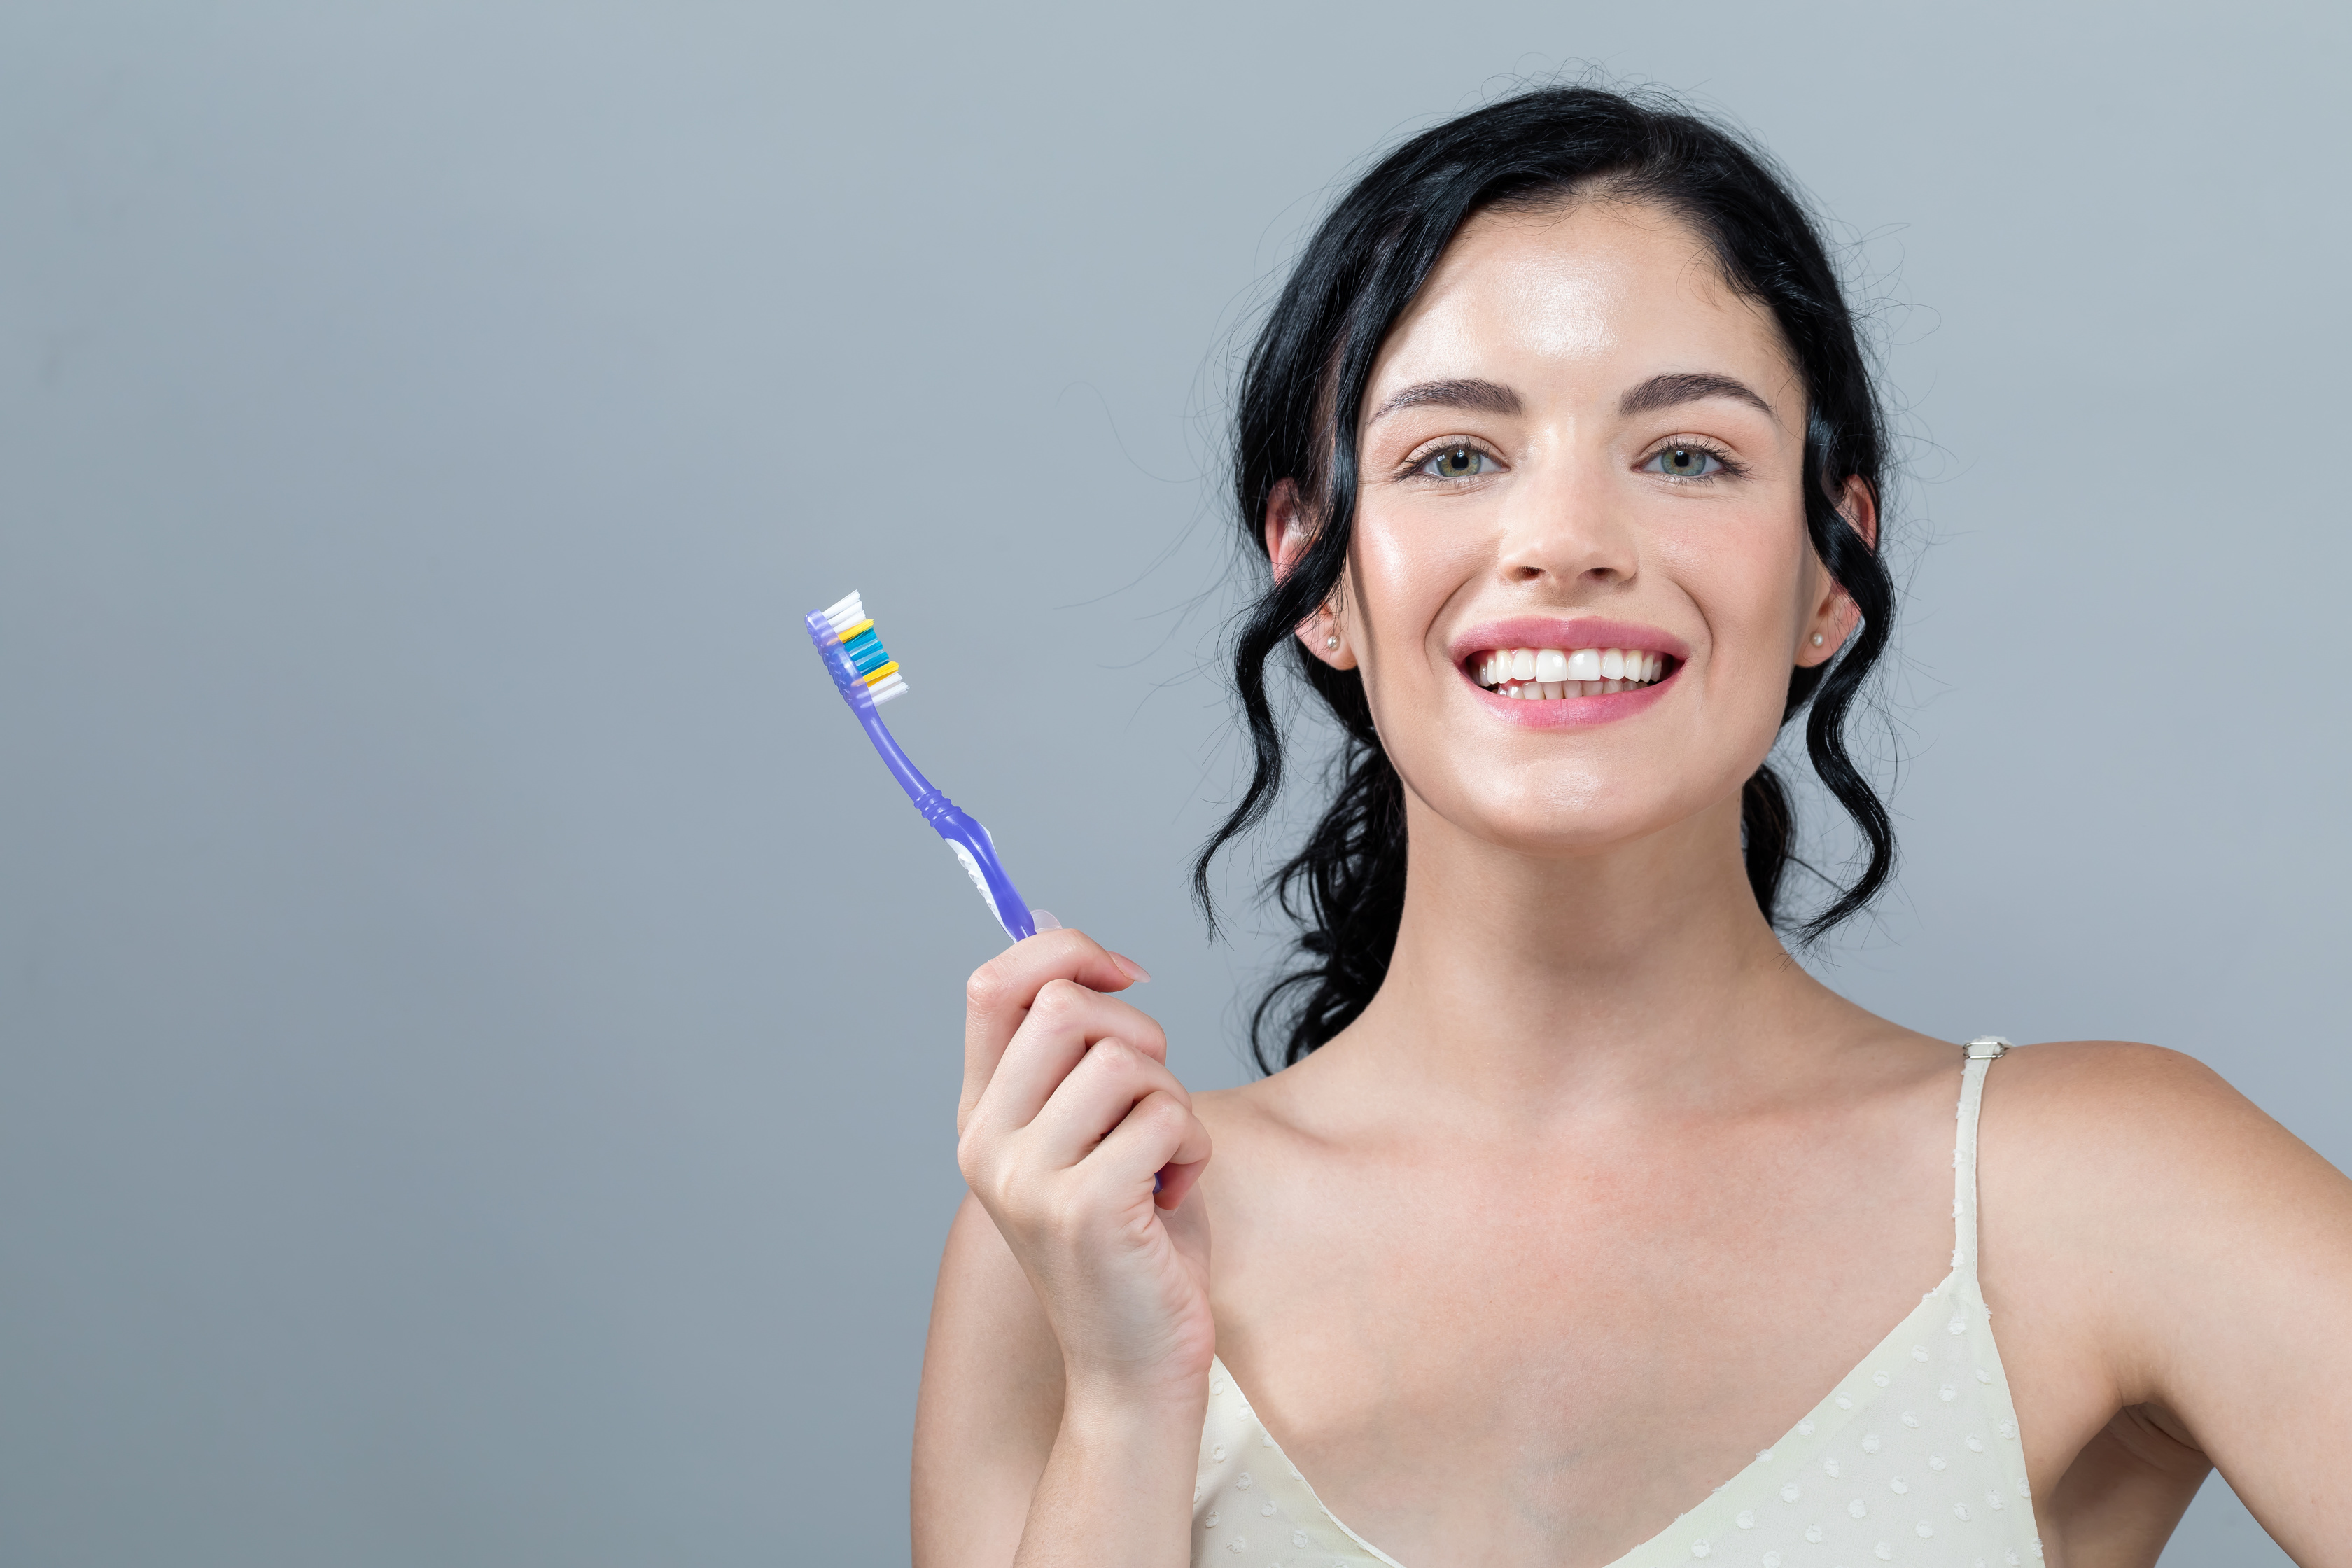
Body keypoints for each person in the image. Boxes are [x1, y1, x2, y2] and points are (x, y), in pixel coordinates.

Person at [911, 85, 2352, 1568]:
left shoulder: (2104, 1194)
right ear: (1315, 576)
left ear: (1832, 566)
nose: (1568, 543)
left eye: (1687, 457)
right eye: (1455, 457)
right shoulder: (1079, 1239)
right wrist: (1134, 1406)